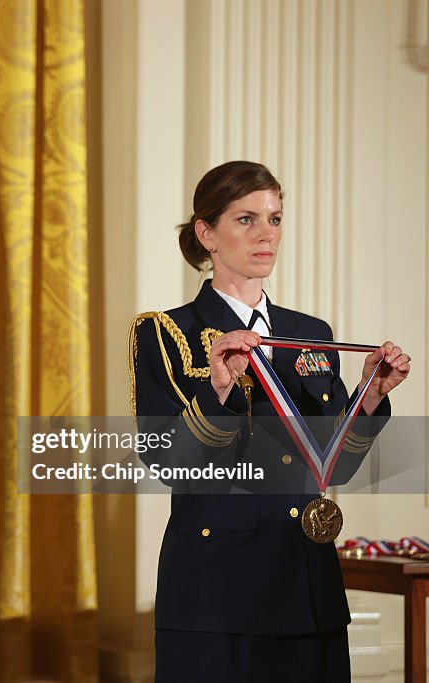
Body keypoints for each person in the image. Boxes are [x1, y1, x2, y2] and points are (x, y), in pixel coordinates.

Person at [130, 160, 410, 682]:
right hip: (216, 593)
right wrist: (217, 388)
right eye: (246, 219)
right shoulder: (168, 333)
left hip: (305, 585)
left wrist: (369, 399)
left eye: (275, 219)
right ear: (206, 233)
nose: (266, 234)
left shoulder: (310, 332)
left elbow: (335, 468)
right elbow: (169, 464)